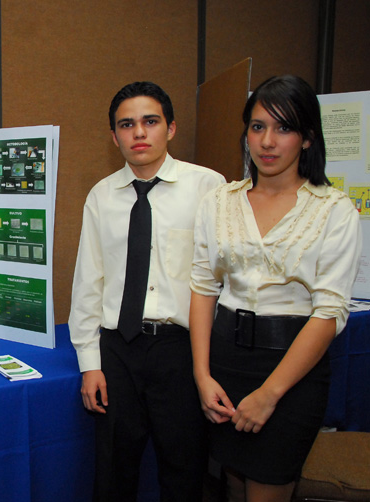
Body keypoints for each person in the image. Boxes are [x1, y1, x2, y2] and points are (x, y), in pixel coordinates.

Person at [189, 75, 361, 502]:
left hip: (291, 371)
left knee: (267, 488)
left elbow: (329, 312)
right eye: (258, 126)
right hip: (225, 363)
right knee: (231, 482)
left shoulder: (333, 210)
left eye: (284, 128)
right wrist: (201, 374)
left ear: (307, 139)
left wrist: (269, 394)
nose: (267, 141)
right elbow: (202, 287)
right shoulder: (220, 201)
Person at [69, 81, 225, 501]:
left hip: (181, 349)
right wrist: (90, 363)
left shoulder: (209, 187)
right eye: (126, 124)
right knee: (114, 472)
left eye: (150, 121)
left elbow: (221, 277)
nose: (138, 133)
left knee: (184, 469)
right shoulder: (102, 196)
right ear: (114, 136)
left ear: (170, 129)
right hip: (117, 351)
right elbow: (88, 282)